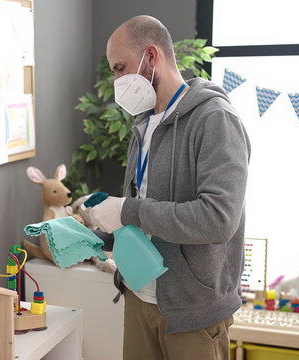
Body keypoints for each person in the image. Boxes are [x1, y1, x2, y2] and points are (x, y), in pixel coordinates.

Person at [89, 15, 251, 360]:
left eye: (120, 68)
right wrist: (97, 235)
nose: (117, 80)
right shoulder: (143, 123)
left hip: (192, 312)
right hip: (138, 296)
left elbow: (218, 219)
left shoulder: (214, 119)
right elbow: (143, 215)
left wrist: (125, 209)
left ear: (150, 56)